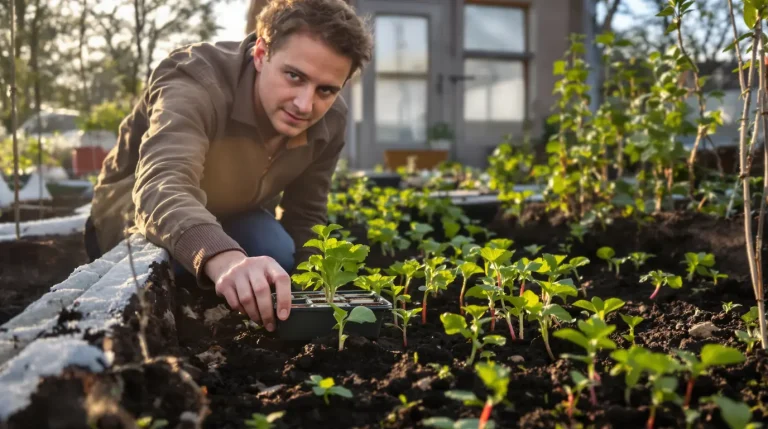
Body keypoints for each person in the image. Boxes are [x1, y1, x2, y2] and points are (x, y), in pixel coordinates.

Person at [83, 0, 373, 333]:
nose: (305, 105)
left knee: (276, 251)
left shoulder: (331, 120)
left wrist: (321, 295)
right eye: (294, 76)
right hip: (136, 215)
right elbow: (161, 186)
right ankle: (190, 321)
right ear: (261, 53)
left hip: (231, 212)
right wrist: (226, 261)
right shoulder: (194, 79)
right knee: (170, 264)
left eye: (326, 90)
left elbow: (306, 215)